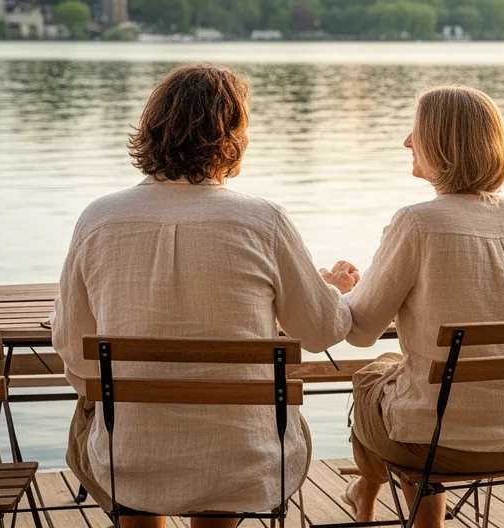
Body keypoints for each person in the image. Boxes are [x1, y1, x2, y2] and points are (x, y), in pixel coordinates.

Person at [52, 64, 358, 528]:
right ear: (231, 135)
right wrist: (331, 293)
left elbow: (72, 346)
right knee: (224, 441)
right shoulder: (263, 221)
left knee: (111, 412)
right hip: (245, 457)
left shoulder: (99, 219)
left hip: (128, 459)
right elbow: (320, 332)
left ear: (153, 128)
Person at [341, 85, 504, 528]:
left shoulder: (417, 222)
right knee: (413, 381)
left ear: (442, 144)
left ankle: (386, 503)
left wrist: (348, 291)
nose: (407, 141)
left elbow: (360, 330)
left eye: (417, 132)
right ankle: (363, 493)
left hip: (442, 443)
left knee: (371, 378)